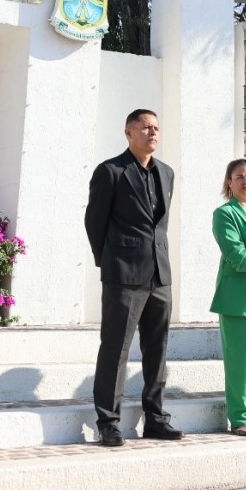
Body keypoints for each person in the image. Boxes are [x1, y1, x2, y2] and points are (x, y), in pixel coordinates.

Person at [84, 109, 184, 447]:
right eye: (145, 127)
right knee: (116, 348)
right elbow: (94, 223)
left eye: (157, 127)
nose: (153, 132)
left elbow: (160, 226)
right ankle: (108, 421)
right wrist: (111, 262)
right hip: (124, 274)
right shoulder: (111, 172)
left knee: (158, 349)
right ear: (129, 132)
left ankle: (156, 418)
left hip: (160, 273)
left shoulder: (167, 173)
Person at [210, 158, 246, 437]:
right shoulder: (224, 214)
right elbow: (236, 254)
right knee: (240, 363)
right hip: (239, 298)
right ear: (229, 183)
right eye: (239, 177)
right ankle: (240, 417)